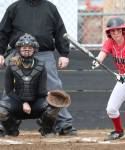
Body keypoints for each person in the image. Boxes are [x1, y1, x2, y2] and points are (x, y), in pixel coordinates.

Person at [0, 0, 76, 135]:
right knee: (10, 89)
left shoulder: (50, 8)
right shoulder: (14, 7)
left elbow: (60, 32)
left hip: (44, 53)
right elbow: (3, 32)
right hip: (18, 53)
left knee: (54, 87)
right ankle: (6, 123)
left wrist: (64, 53)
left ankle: (63, 123)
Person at [0, 33, 70, 137]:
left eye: (29, 47)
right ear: (18, 49)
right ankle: (11, 128)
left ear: (35, 49)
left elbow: (41, 90)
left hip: (36, 103)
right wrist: (24, 102)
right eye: (24, 47)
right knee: (1, 110)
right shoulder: (12, 65)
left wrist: (48, 93)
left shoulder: (41, 66)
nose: (27, 50)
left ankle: (46, 129)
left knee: (54, 107)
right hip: (18, 103)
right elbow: (9, 91)